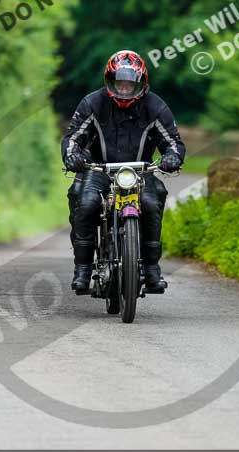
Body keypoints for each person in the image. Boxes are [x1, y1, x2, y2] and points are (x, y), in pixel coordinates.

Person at [62, 50, 185, 293]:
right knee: (85, 204)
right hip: (98, 169)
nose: (124, 90)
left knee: (151, 202)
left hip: (140, 171)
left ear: (141, 84)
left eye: (130, 85)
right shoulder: (92, 103)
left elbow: (174, 142)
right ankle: (83, 269)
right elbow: (72, 138)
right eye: (119, 84)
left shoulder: (156, 107)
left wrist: (172, 157)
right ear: (109, 81)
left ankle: (151, 270)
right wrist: (72, 155)